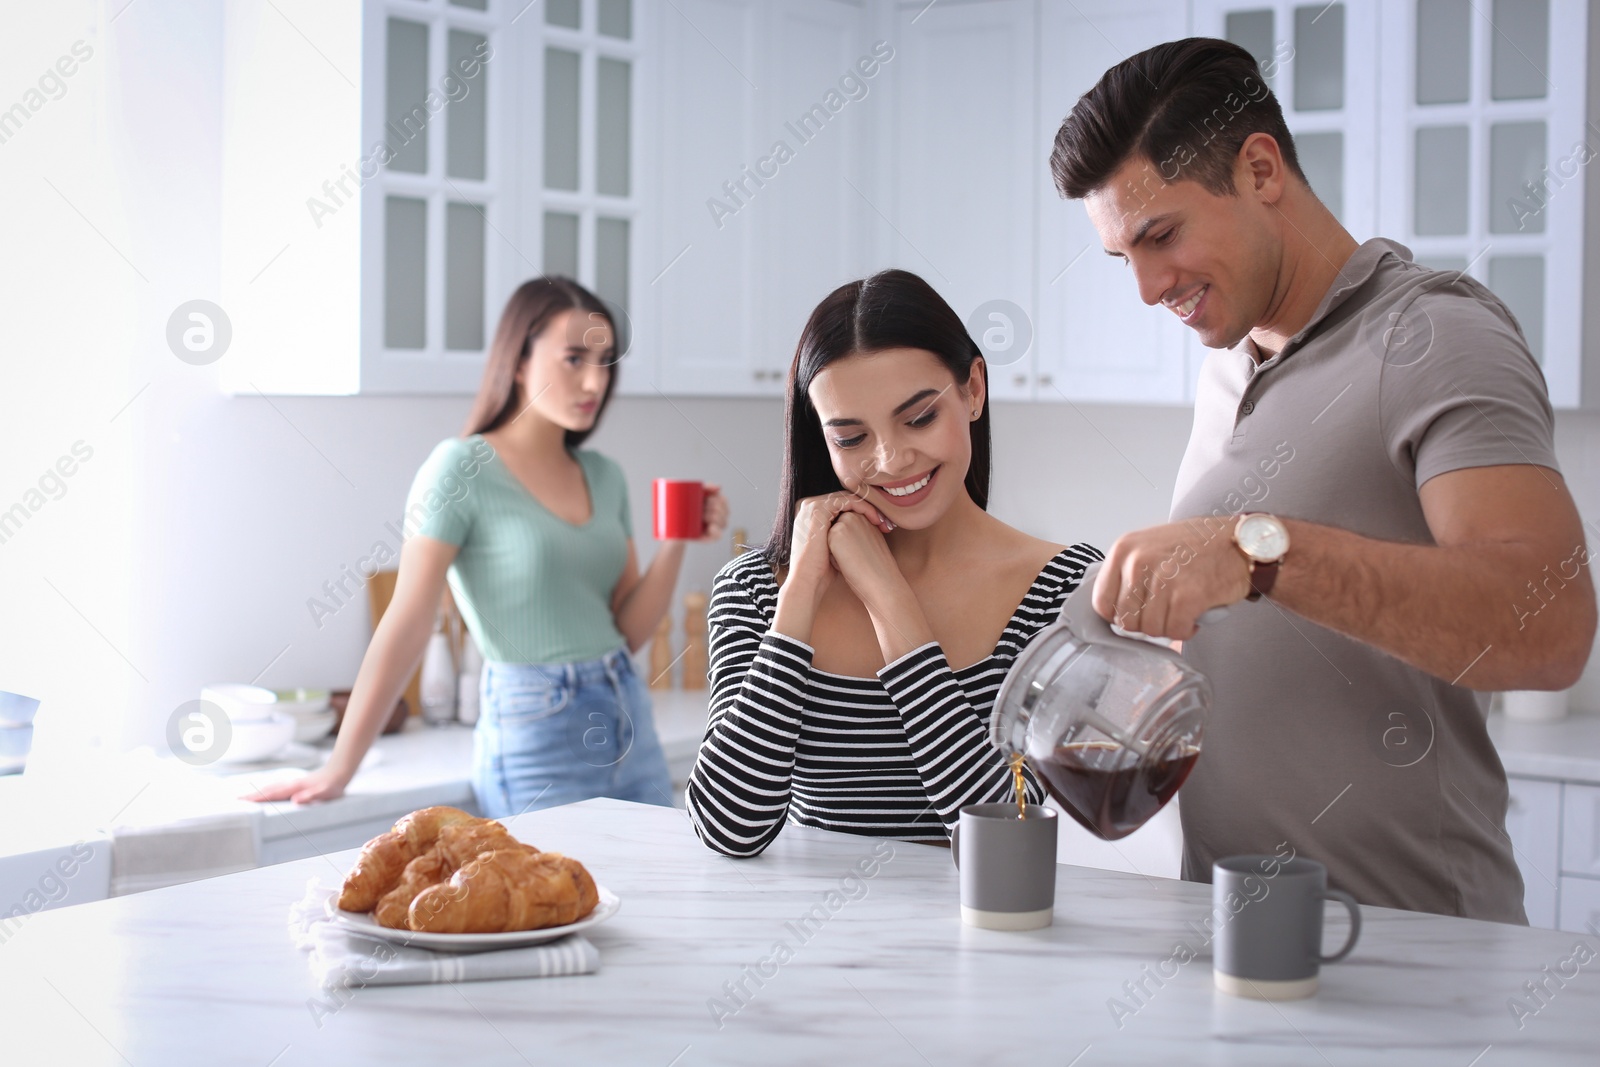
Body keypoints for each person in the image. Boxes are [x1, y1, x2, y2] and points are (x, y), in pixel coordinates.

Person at [1048, 38, 1596, 922]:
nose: (1147, 288)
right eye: (1124, 258)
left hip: (1408, 954)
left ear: (1260, 169)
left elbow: (1552, 625)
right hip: (1240, 939)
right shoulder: (1228, 363)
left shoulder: (1435, 335)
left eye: (1161, 235)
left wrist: (1261, 554)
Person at [250, 277, 728, 816]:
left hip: (628, 716)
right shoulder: (459, 469)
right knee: (548, 897)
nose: (595, 380)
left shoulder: (605, 475)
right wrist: (341, 766)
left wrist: (677, 541)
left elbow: (629, 632)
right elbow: (406, 623)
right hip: (535, 729)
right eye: (574, 358)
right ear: (519, 361)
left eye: (606, 361)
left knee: (652, 895)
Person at [685, 269, 1101, 857]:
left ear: (974, 389)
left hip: (992, 943)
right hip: (809, 946)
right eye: (851, 438)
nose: (892, 458)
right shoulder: (755, 590)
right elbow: (731, 829)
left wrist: (891, 602)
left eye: (919, 417)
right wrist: (800, 588)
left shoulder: (1063, 586)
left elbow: (1007, 832)